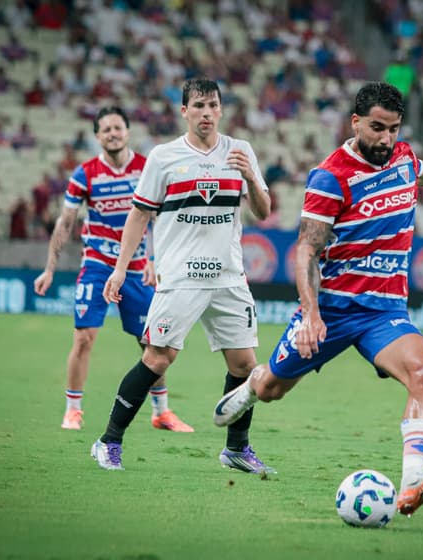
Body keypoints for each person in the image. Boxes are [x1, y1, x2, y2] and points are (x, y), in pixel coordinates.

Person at [213, 82, 423, 516]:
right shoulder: (331, 176)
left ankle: (410, 486)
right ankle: (251, 385)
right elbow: (306, 249)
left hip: (384, 310)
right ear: (355, 122)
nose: (386, 138)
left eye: (393, 129)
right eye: (377, 128)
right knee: (272, 390)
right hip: (335, 310)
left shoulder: (402, 158)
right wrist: (310, 314)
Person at [91, 78, 274, 474]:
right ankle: (108, 441)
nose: (206, 113)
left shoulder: (240, 152)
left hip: (229, 277)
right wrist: (120, 270)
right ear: (184, 111)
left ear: (221, 110)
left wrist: (251, 178)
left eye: (212, 105)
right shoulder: (164, 157)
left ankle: (237, 449)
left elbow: (263, 210)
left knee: (245, 365)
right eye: (198, 106)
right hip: (181, 278)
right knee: (158, 358)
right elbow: (139, 213)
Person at [34, 106, 192, 433]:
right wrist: (49, 269)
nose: (112, 133)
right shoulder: (85, 173)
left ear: (127, 131)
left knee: (153, 343)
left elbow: (162, 218)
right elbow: (65, 222)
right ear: (97, 137)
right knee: (83, 338)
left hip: (136, 269)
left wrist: (155, 261)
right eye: (105, 129)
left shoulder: (147, 168)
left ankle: (161, 412)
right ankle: (73, 410)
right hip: (97, 265)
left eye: (117, 127)